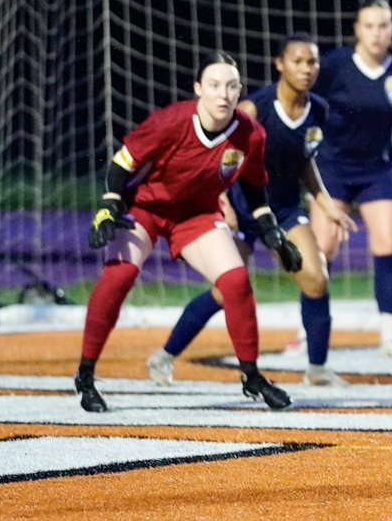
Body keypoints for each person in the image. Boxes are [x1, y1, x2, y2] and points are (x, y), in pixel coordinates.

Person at [75, 52, 303, 412]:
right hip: (146, 208)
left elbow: (255, 188)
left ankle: (252, 377)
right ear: (198, 89)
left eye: (231, 86)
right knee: (119, 278)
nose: (223, 95)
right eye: (214, 85)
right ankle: (86, 375)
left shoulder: (250, 134)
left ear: (240, 90)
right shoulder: (172, 121)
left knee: (235, 282)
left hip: (196, 215)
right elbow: (122, 162)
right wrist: (109, 204)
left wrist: (271, 229)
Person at [146, 35, 359, 388]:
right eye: (298, 61)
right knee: (224, 290)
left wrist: (326, 204)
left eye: (312, 62)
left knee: (316, 280)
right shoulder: (253, 109)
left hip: (284, 211)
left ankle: (317, 368)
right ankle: (164, 356)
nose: (306, 69)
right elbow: (217, 158)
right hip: (244, 210)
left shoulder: (317, 110)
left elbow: (305, 163)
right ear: (280, 64)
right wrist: (223, 204)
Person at [305, 0, 392, 358]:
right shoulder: (334, 65)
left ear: (391, 29)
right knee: (322, 251)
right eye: (369, 26)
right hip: (332, 168)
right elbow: (303, 105)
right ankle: (306, 333)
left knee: (386, 244)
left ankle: (389, 335)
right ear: (357, 30)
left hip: (380, 168)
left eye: (383, 26)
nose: (376, 33)